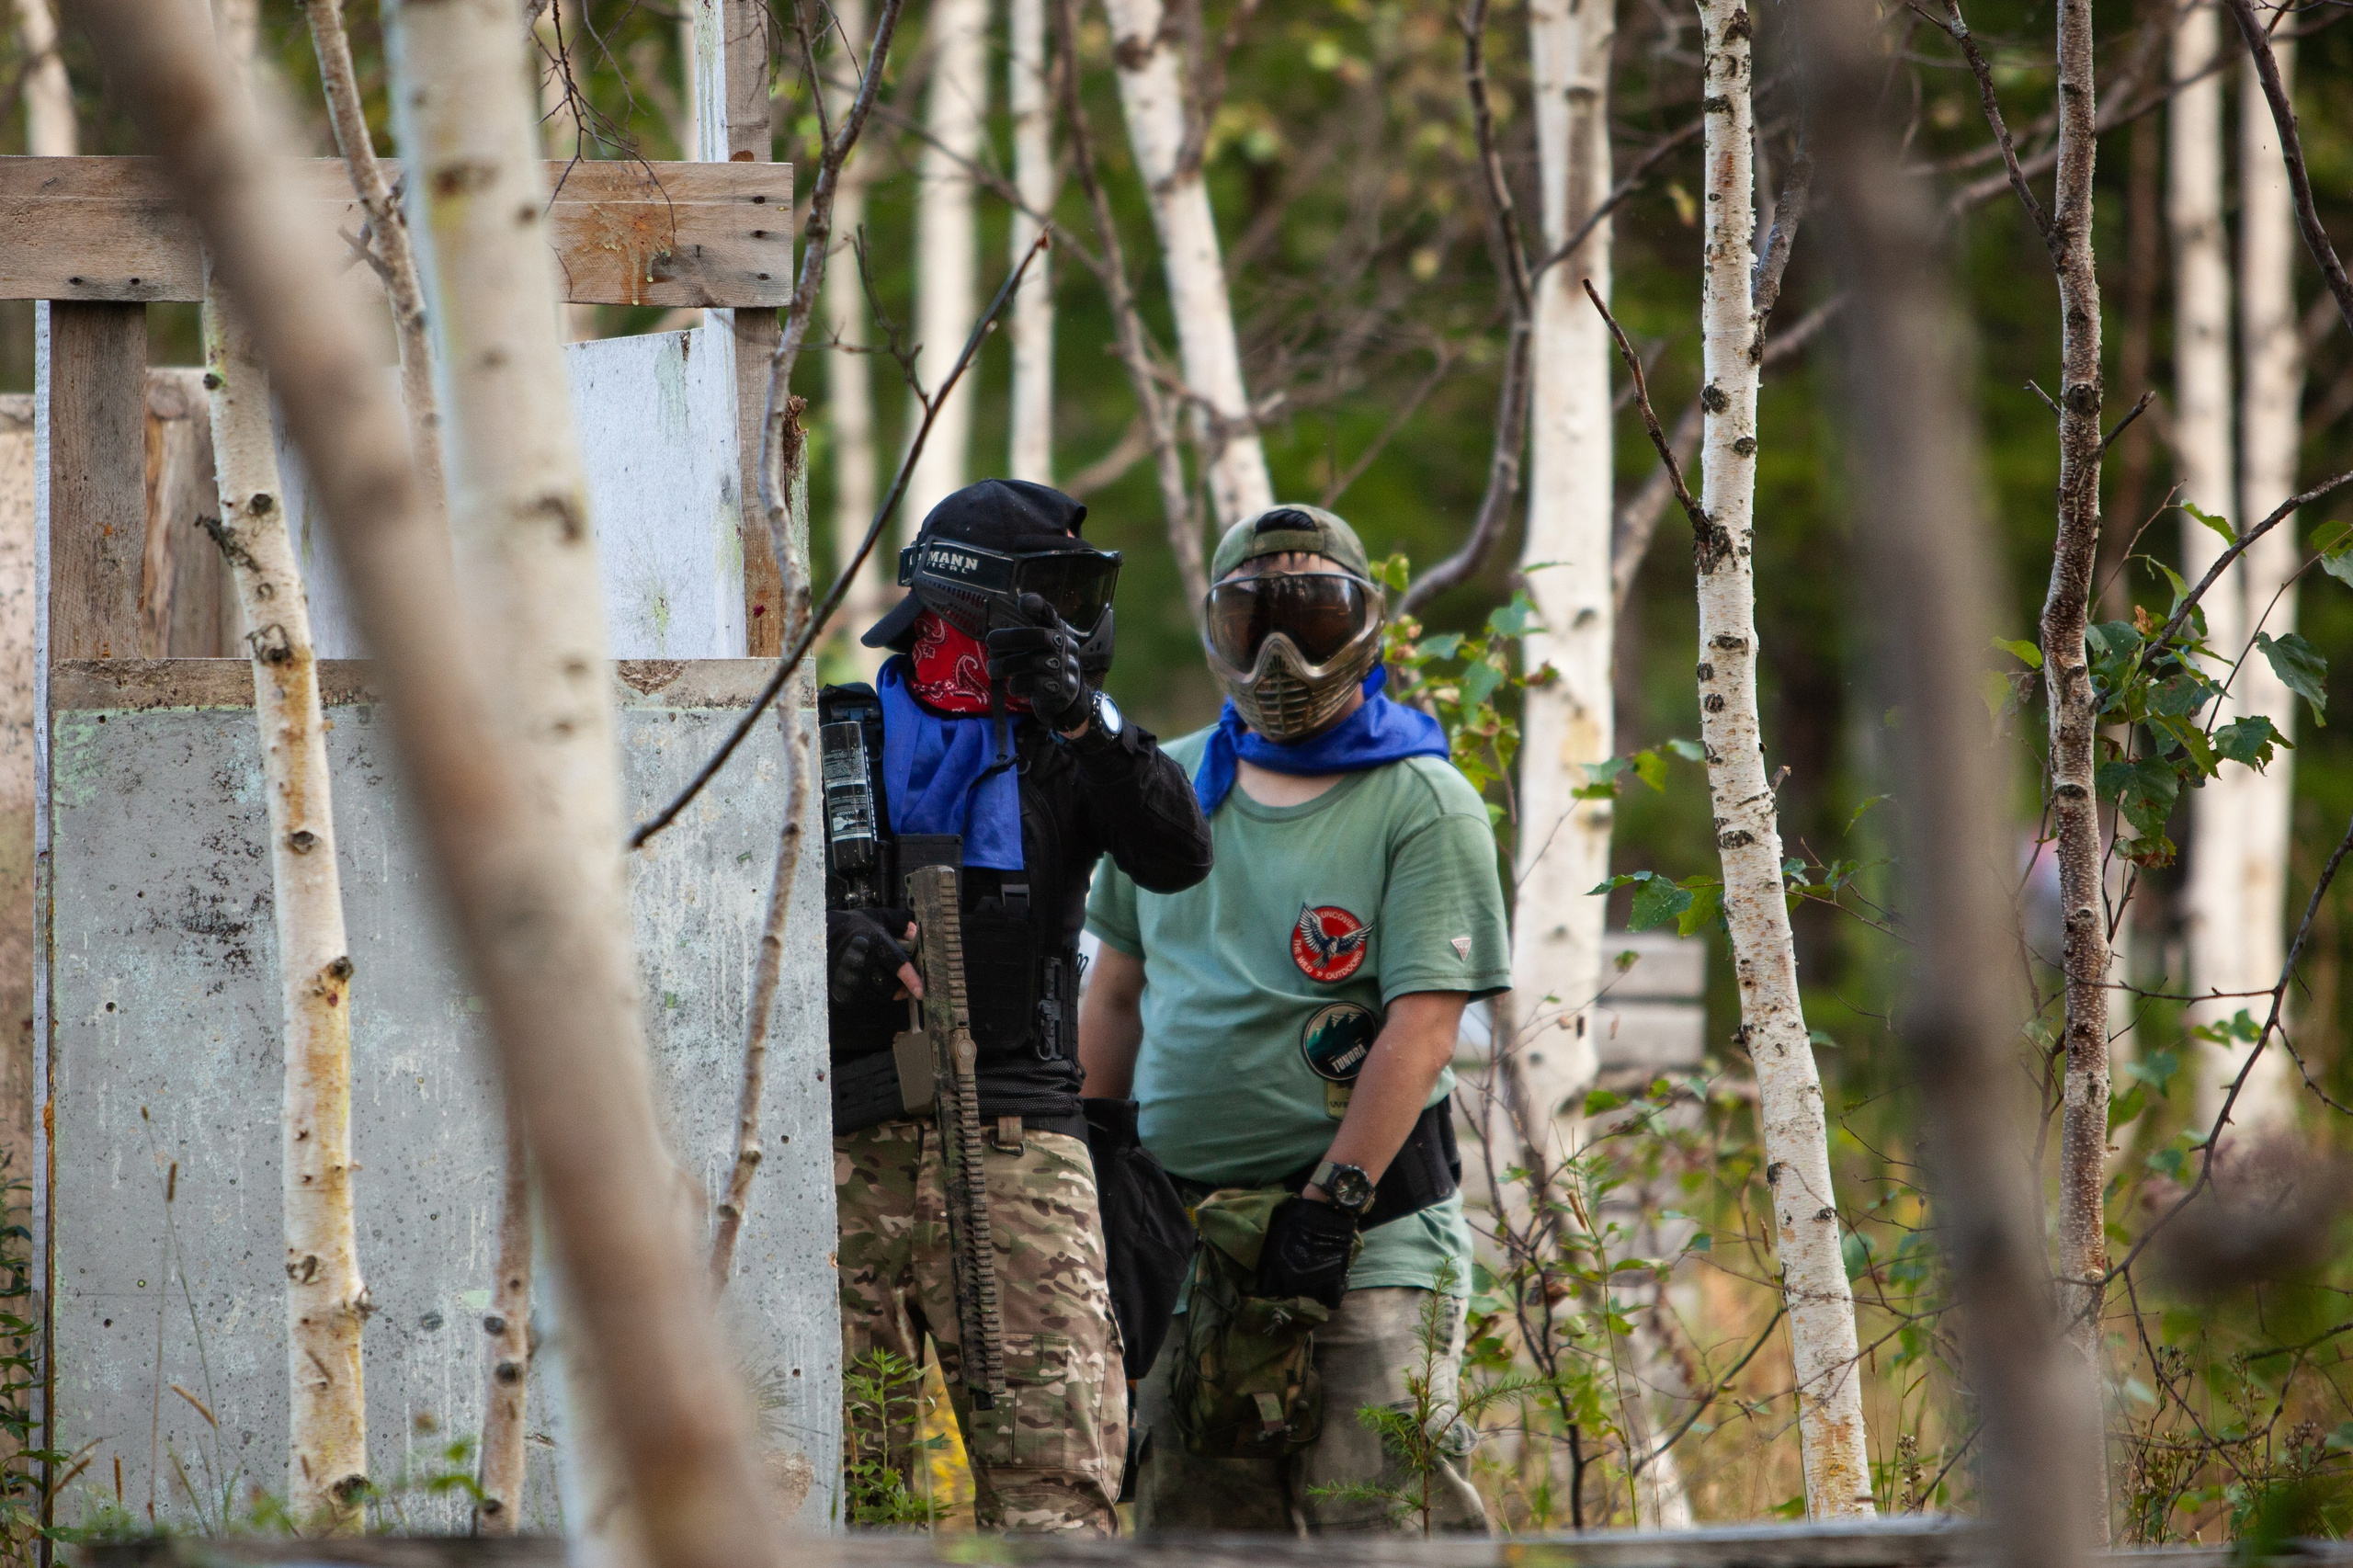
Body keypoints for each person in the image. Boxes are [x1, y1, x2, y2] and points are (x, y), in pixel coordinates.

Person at [1079, 504, 1510, 1534]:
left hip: (1369, 1246)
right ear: (1213, 631)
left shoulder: (1421, 798)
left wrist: (1332, 1202)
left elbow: (1422, 1027)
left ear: (1363, 626)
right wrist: (1095, 1156)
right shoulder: (1167, 785)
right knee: (1199, 1536)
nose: (1279, 654)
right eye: (1249, 620)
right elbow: (1115, 991)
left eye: (1311, 619)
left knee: (1381, 1519)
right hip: (1184, 1249)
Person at [823, 479, 1211, 1533]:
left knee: (1057, 1497)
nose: (1073, 619)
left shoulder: (1062, 745)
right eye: (1052, 592)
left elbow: (1177, 851)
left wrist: (1083, 718)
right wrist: (836, 942)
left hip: (1019, 1148)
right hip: (840, 1156)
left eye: (1080, 597)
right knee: (840, 1497)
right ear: (971, 601)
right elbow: (728, 928)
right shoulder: (831, 744)